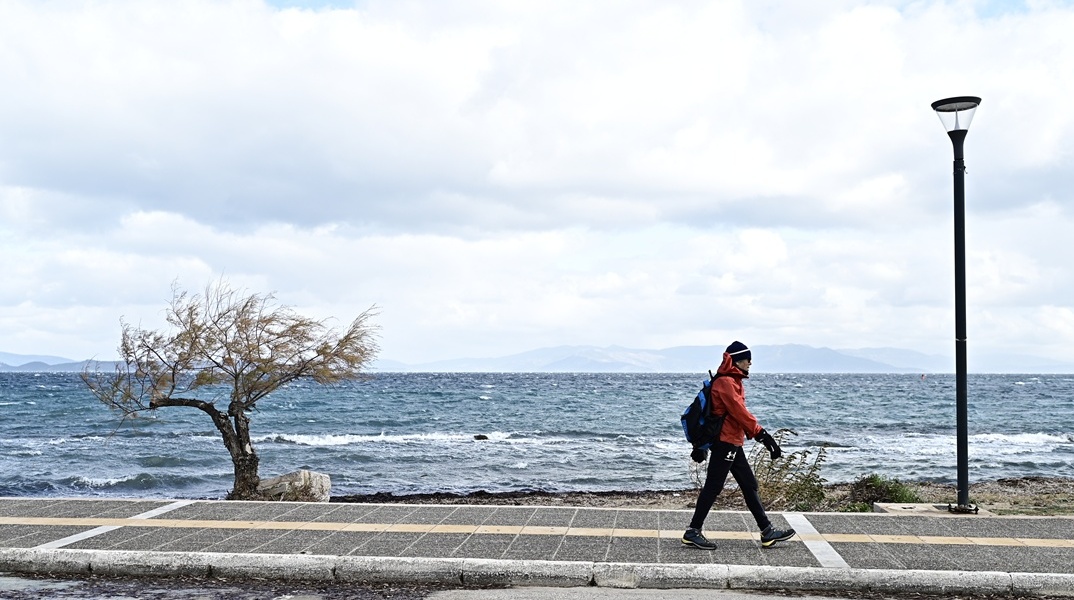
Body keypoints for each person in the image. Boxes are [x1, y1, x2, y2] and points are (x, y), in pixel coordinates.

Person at [682, 341, 797, 550]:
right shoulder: (725, 382)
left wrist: (760, 436)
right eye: (747, 359)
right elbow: (739, 413)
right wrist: (763, 435)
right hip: (725, 442)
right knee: (714, 486)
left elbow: (736, 416)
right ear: (736, 361)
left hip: (733, 442)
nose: (750, 363)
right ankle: (692, 531)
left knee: (749, 484)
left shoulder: (733, 381)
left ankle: (767, 531)